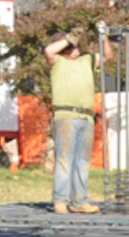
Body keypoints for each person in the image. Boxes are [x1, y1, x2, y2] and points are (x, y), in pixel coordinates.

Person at [44, 28, 106, 215]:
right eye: (70, 46)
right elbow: (49, 50)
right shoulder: (58, 62)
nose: (75, 47)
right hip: (66, 116)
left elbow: (107, 55)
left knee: (82, 161)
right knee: (65, 159)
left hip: (86, 117)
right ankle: (60, 201)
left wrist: (104, 36)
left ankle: (80, 201)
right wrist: (69, 38)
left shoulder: (86, 61)